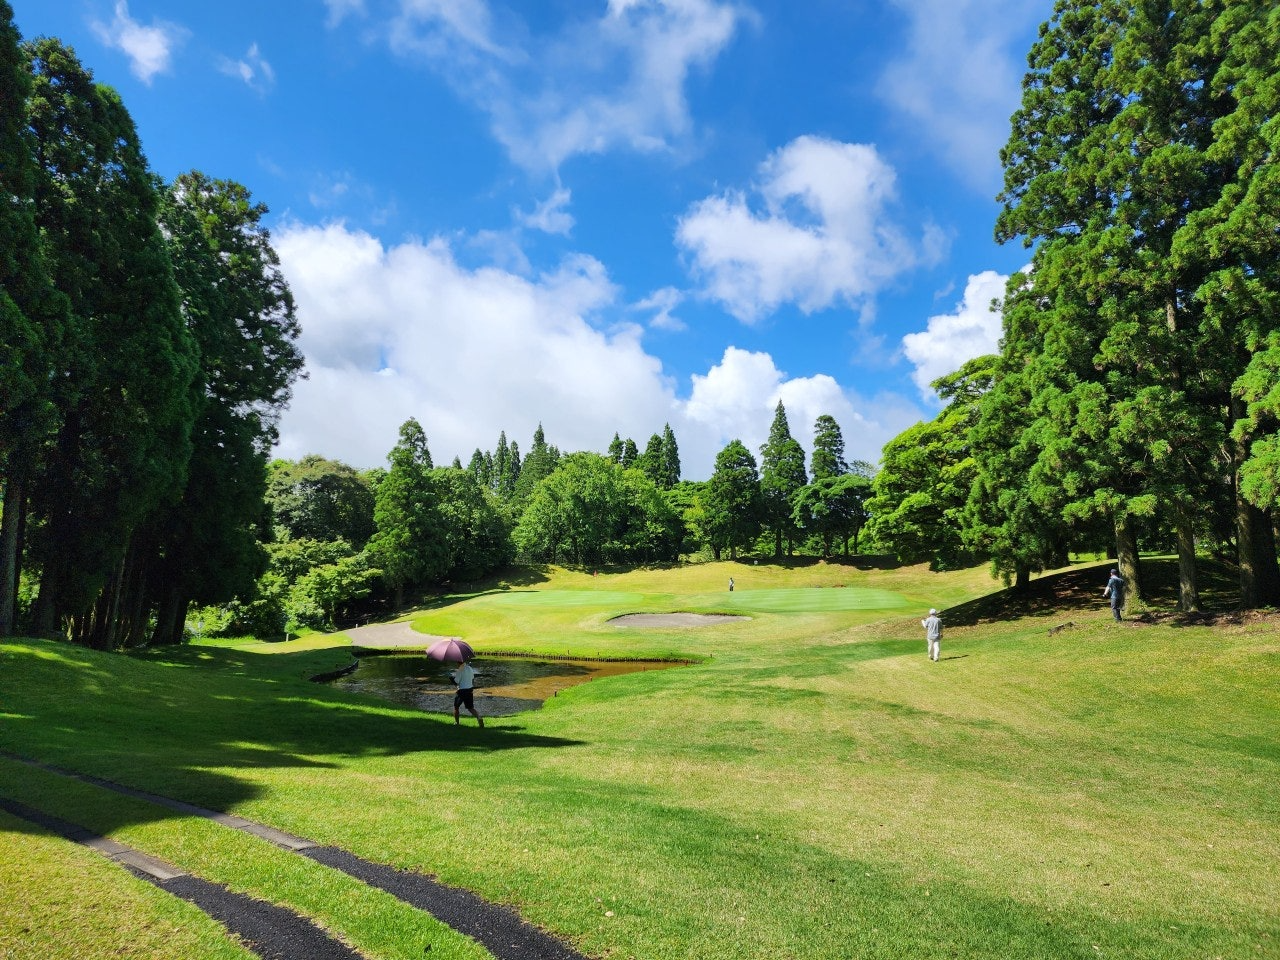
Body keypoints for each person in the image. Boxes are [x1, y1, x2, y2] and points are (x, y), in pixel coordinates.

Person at [451, 659, 484, 727]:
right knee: (470, 708)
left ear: (458, 662)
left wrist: (451, 679)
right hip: (470, 690)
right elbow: (472, 678)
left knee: (456, 707)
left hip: (462, 691)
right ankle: (479, 717)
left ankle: (457, 723)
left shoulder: (460, 669)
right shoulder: (470, 668)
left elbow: (456, 681)